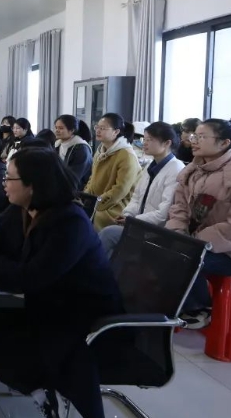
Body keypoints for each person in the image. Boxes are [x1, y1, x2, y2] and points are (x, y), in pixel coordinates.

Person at [0, 148, 122, 418]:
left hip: (82, 315)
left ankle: (49, 388)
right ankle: (40, 389)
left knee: (1, 331)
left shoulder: (69, 222)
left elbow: (31, 277)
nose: (4, 183)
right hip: (50, 302)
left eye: (9, 178)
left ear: (33, 184)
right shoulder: (22, 210)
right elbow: (0, 243)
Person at [165, 119, 231, 329]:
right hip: (192, 241)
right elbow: (179, 206)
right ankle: (164, 305)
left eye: (201, 137)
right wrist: (178, 231)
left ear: (224, 143)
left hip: (224, 251)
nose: (193, 140)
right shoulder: (192, 170)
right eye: (194, 135)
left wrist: (195, 241)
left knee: (182, 256)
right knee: (155, 247)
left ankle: (200, 308)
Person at [98, 122, 184, 259]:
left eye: (150, 140)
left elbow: (163, 214)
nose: (145, 143)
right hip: (139, 225)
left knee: (108, 234)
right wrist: (127, 215)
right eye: (145, 139)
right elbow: (136, 198)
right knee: (110, 247)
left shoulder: (176, 169)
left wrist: (133, 220)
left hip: (156, 231)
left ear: (167, 143)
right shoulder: (151, 166)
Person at [84, 113, 141, 231]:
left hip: (115, 206)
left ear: (116, 132)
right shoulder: (101, 151)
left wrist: (96, 204)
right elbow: (92, 179)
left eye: (103, 128)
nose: (98, 131)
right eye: (97, 127)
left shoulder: (127, 155)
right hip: (97, 201)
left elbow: (120, 190)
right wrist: (85, 197)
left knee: (91, 220)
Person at [54, 115, 93, 189]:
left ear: (72, 130)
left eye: (61, 128)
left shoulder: (81, 149)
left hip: (77, 190)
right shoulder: (57, 145)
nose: (57, 130)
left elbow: (74, 177)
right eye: (56, 127)